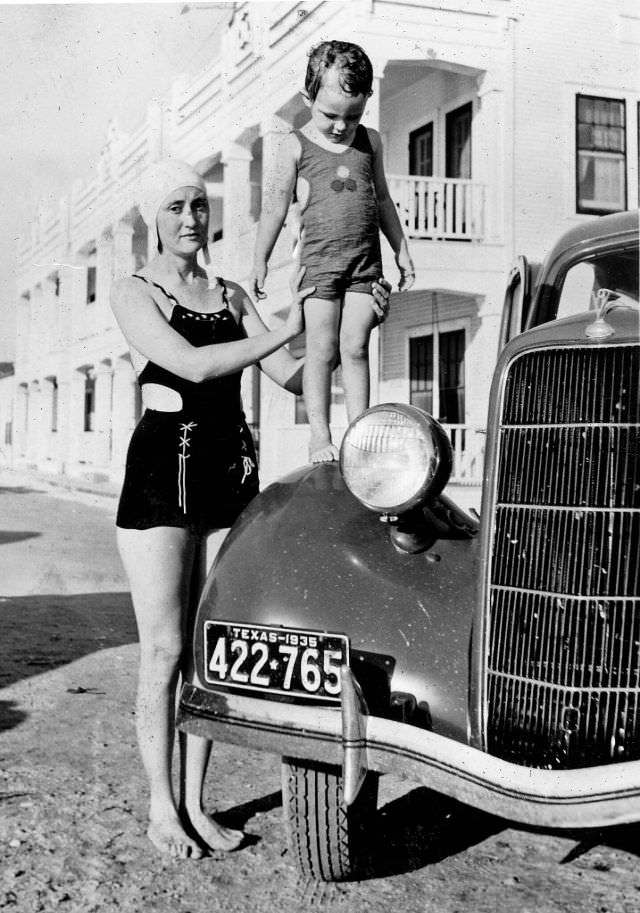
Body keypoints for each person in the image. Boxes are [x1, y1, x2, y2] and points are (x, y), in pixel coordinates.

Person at [110, 158, 391, 859]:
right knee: (165, 649)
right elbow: (195, 365)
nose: (189, 218)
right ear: (154, 216)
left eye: (199, 205)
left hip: (227, 475)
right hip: (159, 481)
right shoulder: (134, 291)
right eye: (175, 206)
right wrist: (287, 324)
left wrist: (350, 333)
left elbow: (293, 373)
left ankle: (198, 804)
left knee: (210, 652)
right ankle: (159, 806)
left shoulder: (232, 294)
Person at [251, 39, 415, 463]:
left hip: (365, 264)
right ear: (307, 99)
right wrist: (260, 259)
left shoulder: (371, 142)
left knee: (356, 347)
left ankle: (360, 436)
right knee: (322, 349)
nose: (342, 126)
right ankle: (320, 435)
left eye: (353, 115)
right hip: (319, 267)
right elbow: (273, 207)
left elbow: (382, 201)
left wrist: (402, 250)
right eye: (329, 115)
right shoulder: (294, 146)